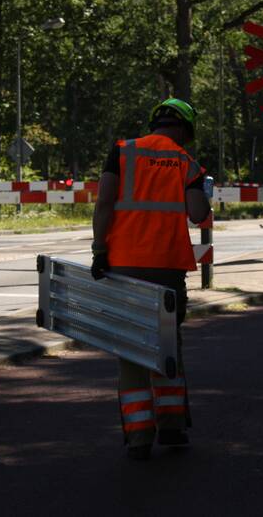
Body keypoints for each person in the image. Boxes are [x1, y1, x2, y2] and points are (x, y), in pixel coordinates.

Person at [90, 98, 212, 461]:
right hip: (168, 268)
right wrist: (204, 192)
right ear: (185, 130)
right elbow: (197, 214)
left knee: (131, 351)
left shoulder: (122, 152)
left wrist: (99, 250)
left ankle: (139, 437)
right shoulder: (186, 162)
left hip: (125, 266)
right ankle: (172, 427)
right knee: (168, 345)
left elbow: (104, 203)